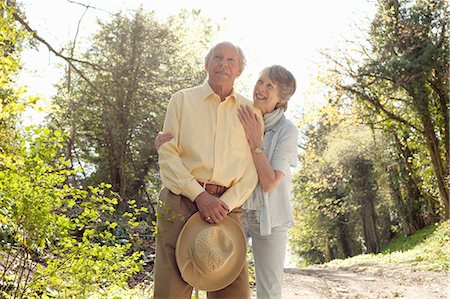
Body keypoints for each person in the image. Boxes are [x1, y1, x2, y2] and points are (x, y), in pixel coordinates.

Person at [156, 65, 298, 299]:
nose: (260, 88)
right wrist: (166, 144)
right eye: (260, 81)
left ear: (281, 99)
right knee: (211, 264)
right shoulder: (240, 111)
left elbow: (270, 182)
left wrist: (255, 140)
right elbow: (211, 146)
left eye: (269, 86)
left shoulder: (286, 131)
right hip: (236, 209)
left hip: (267, 216)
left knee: (267, 288)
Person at [153, 41, 261, 299]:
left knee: (232, 291)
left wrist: (224, 203)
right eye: (217, 57)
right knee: (171, 291)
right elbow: (167, 154)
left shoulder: (250, 112)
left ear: (239, 71)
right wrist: (200, 197)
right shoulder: (181, 100)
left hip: (228, 208)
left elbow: (252, 169)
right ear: (206, 64)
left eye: (231, 60)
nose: (223, 64)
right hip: (180, 202)